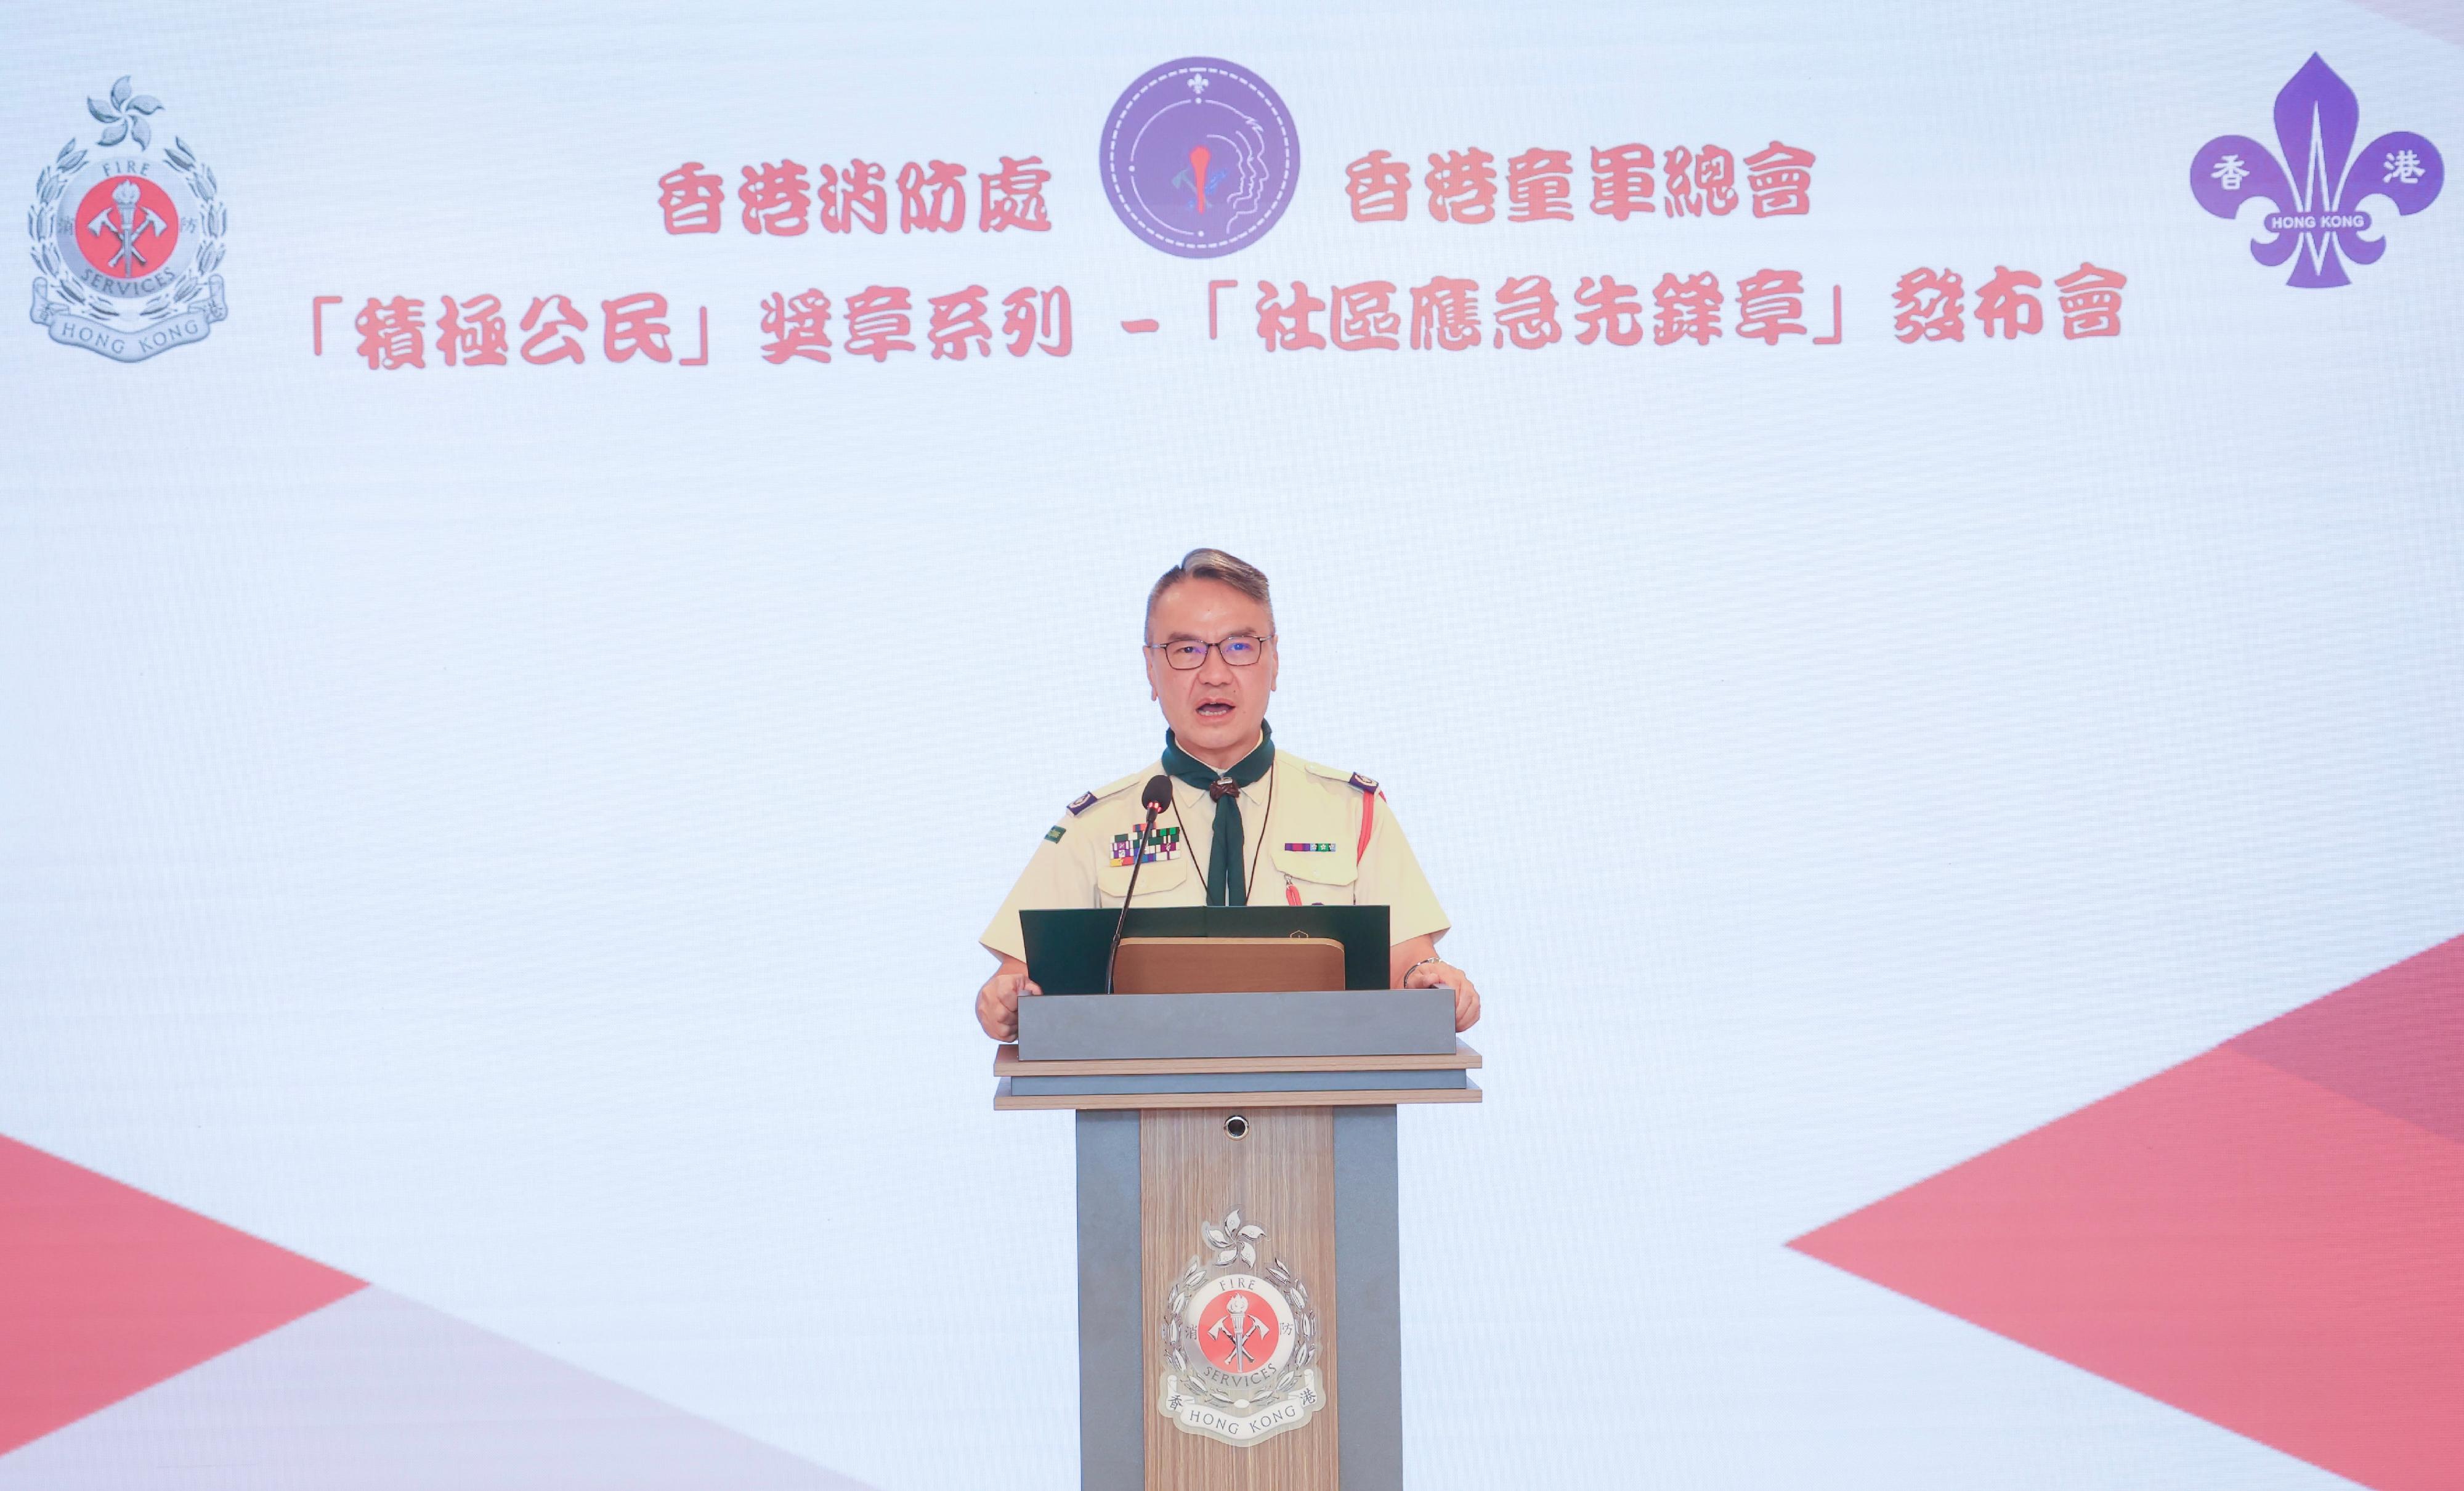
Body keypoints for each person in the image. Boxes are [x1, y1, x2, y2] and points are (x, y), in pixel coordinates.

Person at [975, 548, 1480, 1042]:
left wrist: (1431, 979)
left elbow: (1408, 959)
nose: (1214, 674)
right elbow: (1019, 979)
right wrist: (1004, 1000)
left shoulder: (1353, 813)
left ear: (1275, 661)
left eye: (1239, 647)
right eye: (1186, 650)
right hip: (1146, 1105)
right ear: (1151, 671)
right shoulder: (1094, 827)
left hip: (1320, 1096)